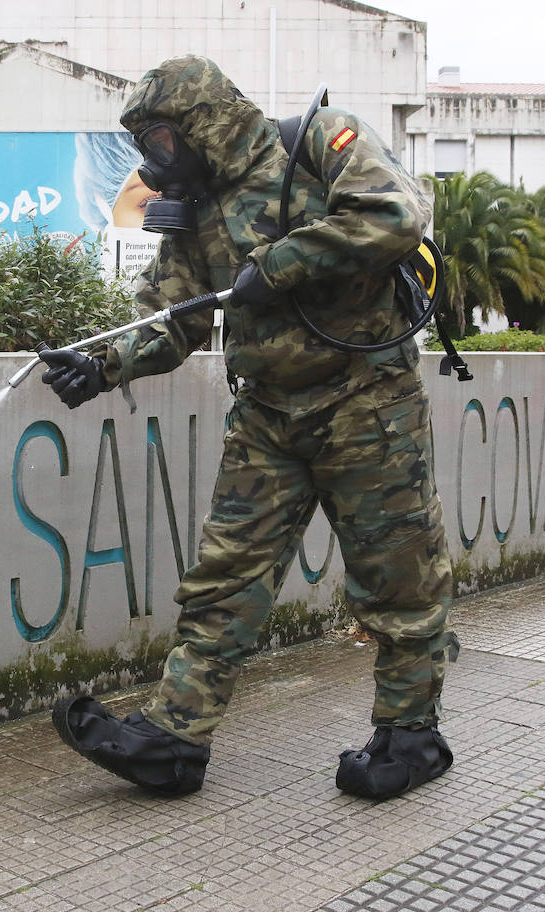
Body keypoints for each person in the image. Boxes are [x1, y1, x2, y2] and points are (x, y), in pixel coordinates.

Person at [38, 55, 457, 801]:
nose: (154, 161)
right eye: (146, 147)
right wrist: (101, 366)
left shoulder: (320, 142)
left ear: (205, 121)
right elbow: (173, 321)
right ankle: (173, 738)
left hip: (367, 403)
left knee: (397, 579)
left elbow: (395, 215)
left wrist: (284, 261)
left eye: (162, 141)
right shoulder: (194, 209)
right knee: (224, 577)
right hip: (267, 415)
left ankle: (410, 736)